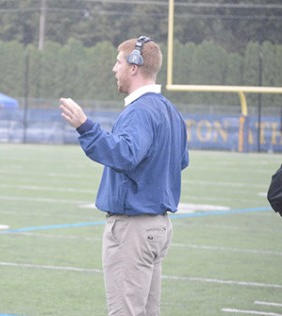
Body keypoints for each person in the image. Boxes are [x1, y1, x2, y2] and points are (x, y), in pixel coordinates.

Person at [59, 36, 189, 316]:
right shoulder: (170, 111)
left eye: (118, 62)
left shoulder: (140, 111)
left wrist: (86, 127)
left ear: (134, 66)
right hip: (157, 226)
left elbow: (125, 154)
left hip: (135, 229)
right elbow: (181, 160)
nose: (113, 68)